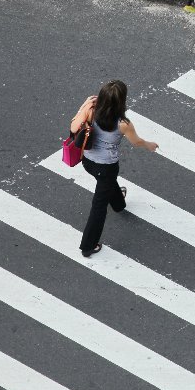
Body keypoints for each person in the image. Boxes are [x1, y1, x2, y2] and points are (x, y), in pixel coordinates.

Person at [70, 80, 158, 257]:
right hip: (107, 166)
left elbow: (73, 127)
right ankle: (88, 245)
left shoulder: (91, 110)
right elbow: (136, 142)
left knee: (107, 184)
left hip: (88, 161)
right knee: (99, 206)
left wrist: (84, 106)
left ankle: (118, 203)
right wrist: (149, 145)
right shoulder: (123, 123)